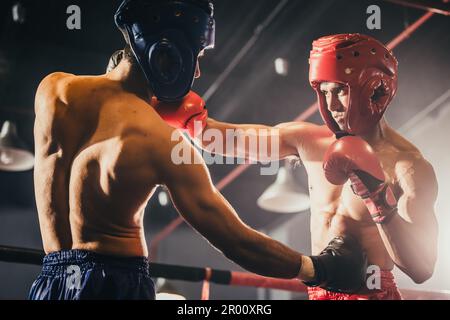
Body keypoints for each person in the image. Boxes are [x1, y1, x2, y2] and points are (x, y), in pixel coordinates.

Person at [28, 0, 367, 300]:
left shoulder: (54, 91)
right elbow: (237, 242)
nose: (199, 70)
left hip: (49, 281)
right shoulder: (162, 143)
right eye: (198, 56)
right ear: (167, 54)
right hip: (116, 284)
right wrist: (320, 269)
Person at [180, 34, 439, 300]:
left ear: (376, 90)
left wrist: (378, 199)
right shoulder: (308, 141)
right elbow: (217, 140)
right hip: (318, 290)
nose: (331, 104)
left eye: (340, 90)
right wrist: (177, 101)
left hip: (371, 292)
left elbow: (422, 268)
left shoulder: (406, 166)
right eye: (325, 92)